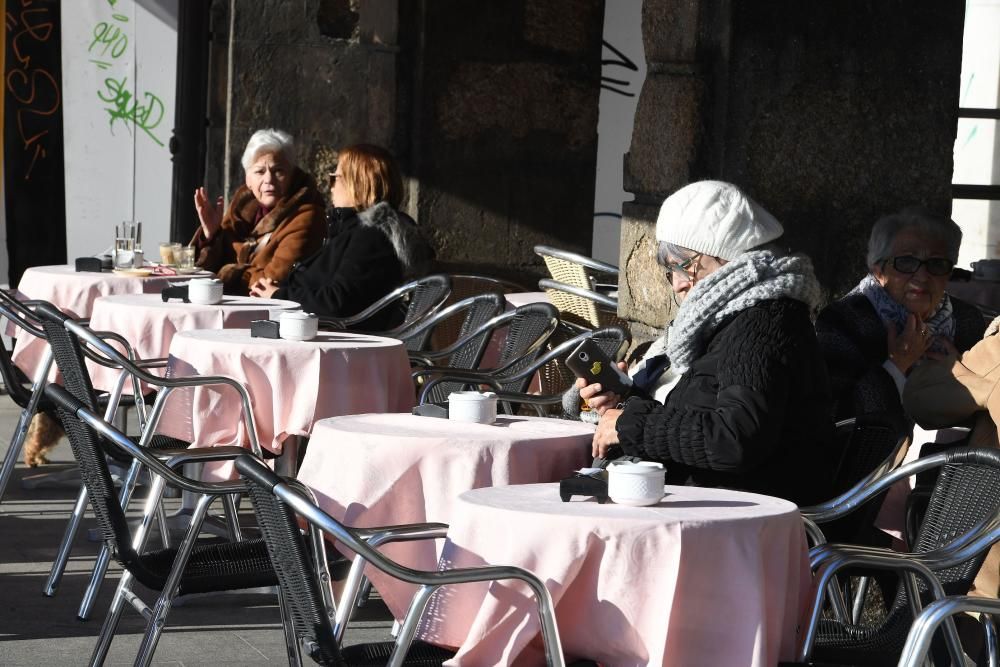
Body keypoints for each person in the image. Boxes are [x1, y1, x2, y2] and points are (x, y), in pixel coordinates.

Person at [579, 180, 836, 505]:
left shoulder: (763, 321)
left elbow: (735, 438)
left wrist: (633, 424)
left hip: (737, 523)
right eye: (669, 270)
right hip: (711, 505)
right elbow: (699, 417)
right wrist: (625, 403)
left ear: (727, 255)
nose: (677, 284)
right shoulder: (732, 317)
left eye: (684, 265)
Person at [816, 208, 985, 421]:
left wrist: (962, 373)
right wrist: (897, 365)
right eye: (906, 262)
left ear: (949, 272)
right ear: (878, 270)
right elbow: (835, 417)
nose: (922, 276)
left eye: (937, 263)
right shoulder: (844, 321)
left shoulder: (967, 320)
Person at [250, 143, 433, 329]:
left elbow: (338, 302)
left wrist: (279, 296)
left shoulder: (372, 237)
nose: (330, 188)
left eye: (334, 179)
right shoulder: (352, 231)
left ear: (356, 184)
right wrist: (280, 291)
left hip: (339, 344)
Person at [192, 128, 326, 295]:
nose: (268, 179)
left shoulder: (307, 216)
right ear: (248, 180)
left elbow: (272, 281)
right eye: (259, 171)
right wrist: (210, 235)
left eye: (278, 171)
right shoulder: (241, 210)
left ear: (291, 175)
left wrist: (225, 274)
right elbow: (199, 269)